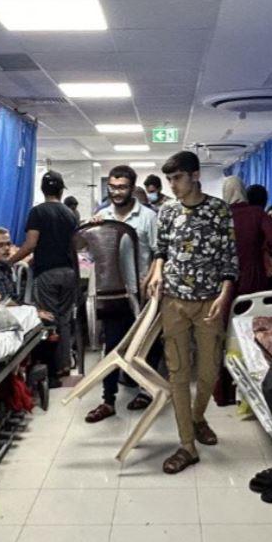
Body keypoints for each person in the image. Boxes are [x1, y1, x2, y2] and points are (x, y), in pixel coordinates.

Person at [146, 151, 239, 474]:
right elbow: (161, 249)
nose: (172, 185)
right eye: (169, 179)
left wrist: (224, 295)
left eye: (177, 178)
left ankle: (198, 417)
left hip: (209, 301)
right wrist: (157, 271)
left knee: (210, 371)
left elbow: (229, 258)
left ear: (195, 175)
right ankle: (187, 444)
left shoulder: (218, 211)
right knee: (178, 373)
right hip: (173, 301)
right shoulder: (168, 211)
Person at [85, 165, 160, 423]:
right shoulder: (102, 216)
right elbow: (89, 253)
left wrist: (151, 280)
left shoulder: (147, 217)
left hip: (142, 293)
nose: (117, 192)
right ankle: (108, 401)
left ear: (132, 188)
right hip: (112, 292)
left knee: (147, 345)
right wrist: (92, 232)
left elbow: (159, 253)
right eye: (113, 187)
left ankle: (145, 391)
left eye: (122, 187)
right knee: (112, 346)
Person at [11, 171, 81, 381]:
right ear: (61, 191)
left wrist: (10, 261)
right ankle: (65, 365)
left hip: (47, 274)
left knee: (49, 320)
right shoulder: (70, 214)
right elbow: (75, 244)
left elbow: (31, 244)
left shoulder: (37, 212)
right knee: (65, 320)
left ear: (42, 190)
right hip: (68, 272)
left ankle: (51, 370)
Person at [223, 176, 272, 297]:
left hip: (228, 283)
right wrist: (263, 247)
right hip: (255, 279)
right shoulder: (257, 213)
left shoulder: (221, 217)